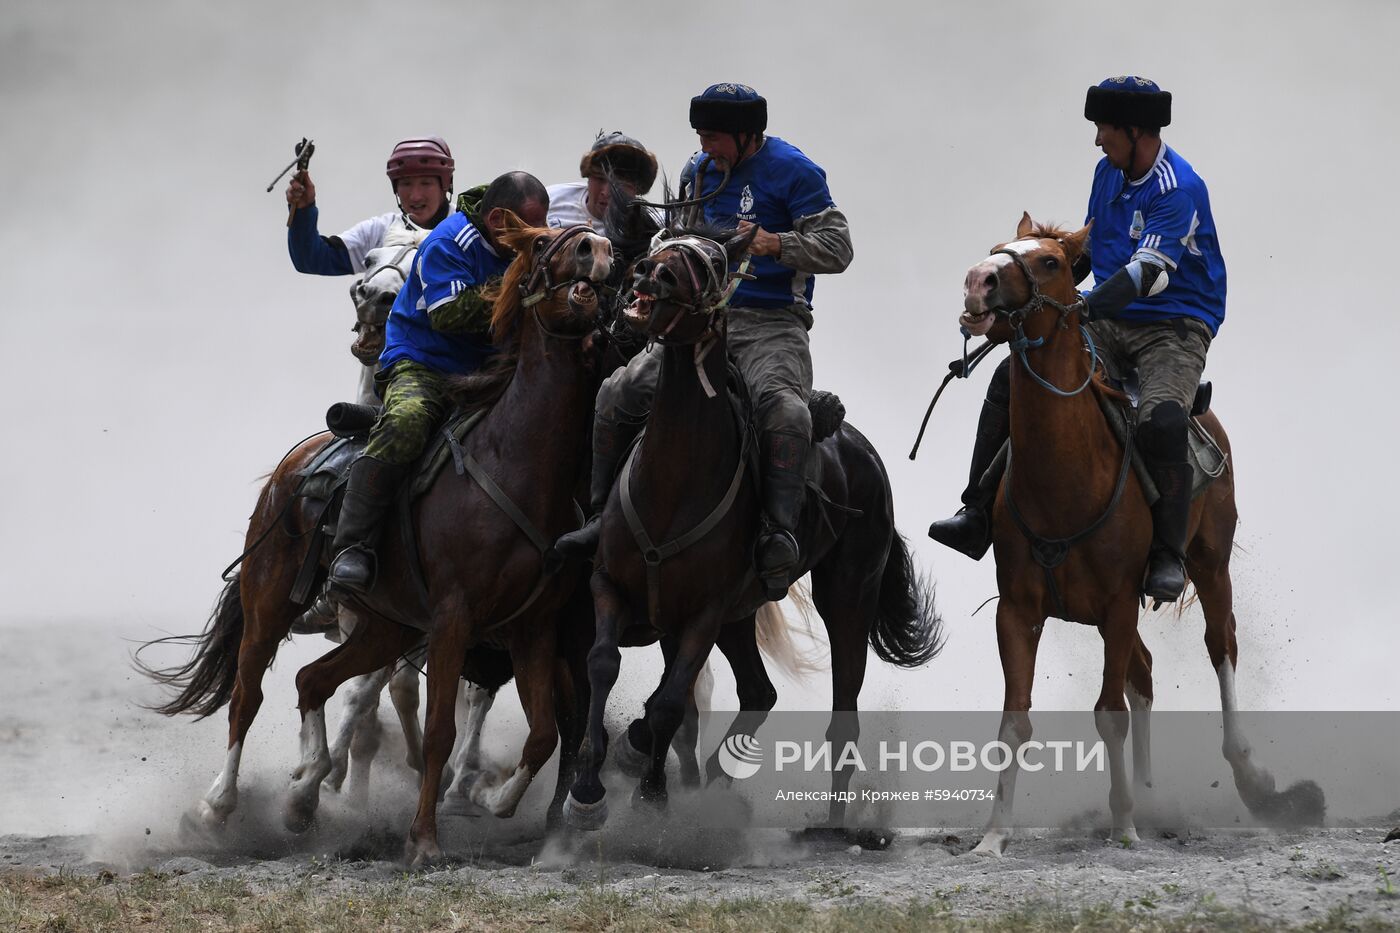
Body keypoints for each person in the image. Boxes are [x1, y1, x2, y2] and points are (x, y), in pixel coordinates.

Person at [927, 76, 1227, 602]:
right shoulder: (1107, 174)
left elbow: (1150, 274)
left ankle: (1167, 554)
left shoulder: (1178, 188)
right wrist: (1035, 293)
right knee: (1010, 378)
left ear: (1136, 131)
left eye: (1104, 130)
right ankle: (976, 511)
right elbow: (1091, 255)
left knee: (1162, 421)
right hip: (1108, 316)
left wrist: (1079, 307)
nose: (1097, 142)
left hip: (1175, 324)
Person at [555, 83, 854, 601]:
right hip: (702, 318)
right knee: (616, 393)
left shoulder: (795, 171)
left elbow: (839, 248)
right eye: (700, 136)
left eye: (714, 137)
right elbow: (679, 237)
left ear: (747, 134)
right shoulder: (699, 171)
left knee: (785, 412)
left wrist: (774, 243)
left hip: (772, 323)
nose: (705, 146)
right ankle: (602, 517)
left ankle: (778, 534)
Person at [325, 172, 551, 598]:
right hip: (423, 363)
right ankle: (352, 546)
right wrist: (518, 286)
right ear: (498, 219)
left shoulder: (524, 237)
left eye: (539, 231)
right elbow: (448, 315)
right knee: (406, 423)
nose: (531, 242)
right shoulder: (448, 242)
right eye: (524, 232)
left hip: (492, 366)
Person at [285, 136, 455, 275]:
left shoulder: (470, 228)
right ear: (395, 189)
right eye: (406, 184)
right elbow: (311, 260)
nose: (415, 196)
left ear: (445, 184)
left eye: (426, 183)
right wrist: (303, 210)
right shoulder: (379, 231)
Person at [547, 131, 659, 237]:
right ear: (588, 177)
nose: (606, 193)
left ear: (636, 189)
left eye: (620, 184)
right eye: (600, 179)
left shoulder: (651, 229)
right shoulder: (551, 200)